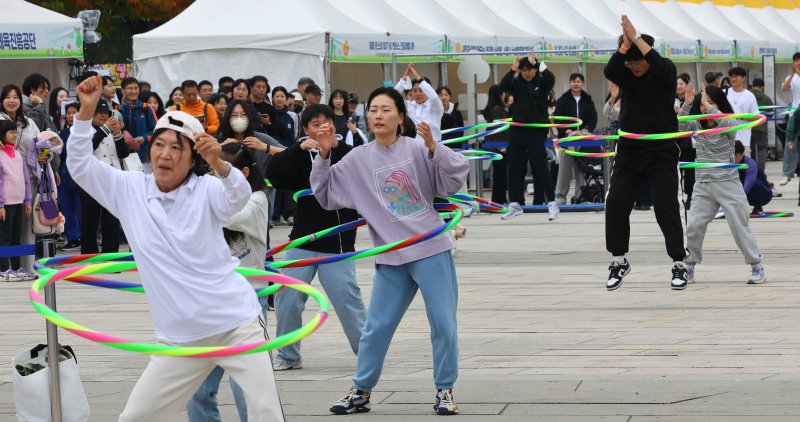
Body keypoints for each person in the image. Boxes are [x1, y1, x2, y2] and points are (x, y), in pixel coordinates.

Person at [67, 75, 284, 421]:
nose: (165, 155)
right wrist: (85, 113)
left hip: (236, 323)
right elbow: (79, 165)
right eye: (159, 145)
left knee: (265, 411)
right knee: (135, 418)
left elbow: (239, 196)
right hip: (180, 338)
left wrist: (219, 164)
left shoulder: (206, 189)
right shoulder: (129, 189)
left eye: (176, 148)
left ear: (192, 158)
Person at [310, 87, 469, 416]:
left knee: (443, 323)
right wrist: (323, 154)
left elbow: (455, 175)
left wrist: (434, 147)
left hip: (430, 248)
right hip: (391, 256)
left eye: (385, 109)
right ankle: (361, 391)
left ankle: (444, 389)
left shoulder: (417, 147)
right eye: (373, 110)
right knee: (376, 327)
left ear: (400, 117)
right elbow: (324, 194)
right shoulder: (357, 159)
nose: (378, 115)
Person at [265, 104, 366, 372]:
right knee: (287, 297)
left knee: (347, 300)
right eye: (315, 123)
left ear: (334, 125)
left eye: (326, 122)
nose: (322, 127)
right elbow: (273, 175)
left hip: (338, 242)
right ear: (306, 129)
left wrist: (330, 149)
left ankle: (368, 354)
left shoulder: (348, 153)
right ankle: (288, 355)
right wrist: (296, 149)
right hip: (303, 239)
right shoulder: (300, 154)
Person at [187, 142, 272, 422]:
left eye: (219, 170)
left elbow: (233, 216)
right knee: (197, 388)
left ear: (243, 173)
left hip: (248, 299)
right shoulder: (207, 199)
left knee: (247, 386)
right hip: (210, 301)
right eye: (210, 170)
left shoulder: (257, 200)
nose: (212, 176)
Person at [603, 15, 689, 291]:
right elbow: (610, 70)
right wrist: (625, 45)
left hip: (662, 151)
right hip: (630, 150)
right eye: (630, 61)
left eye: (638, 60)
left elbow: (660, 65)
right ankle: (619, 260)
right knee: (615, 202)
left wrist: (636, 36)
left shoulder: (665, 72)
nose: (634, 65)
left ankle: (679, 262)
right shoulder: (625, 75)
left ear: (648, 55)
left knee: (666, 205)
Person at [680, 84, 765, 285]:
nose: (705, 107)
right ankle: (689, 266)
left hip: (728, 183)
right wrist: (687, 104)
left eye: (710, 102)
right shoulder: (696, 124)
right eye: (703, 103)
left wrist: (708, 106)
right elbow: (679, 127)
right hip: (703, 184)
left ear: (719, 104)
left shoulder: (727, 123)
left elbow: (728, 121)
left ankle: (756, 265)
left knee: (739, 226)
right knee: (694, 225)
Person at [500, 50, 558, 221]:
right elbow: (503, 86)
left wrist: (537, 64)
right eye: (523, 70)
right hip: (518, 131)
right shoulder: (517, 84)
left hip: (536, 132)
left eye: (529, 69)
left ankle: (552, 203)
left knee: (540, 167)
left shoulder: (542, 83)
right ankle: (515, 204)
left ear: (535, 69)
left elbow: (551, 78)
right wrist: (513, 69)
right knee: (514, 167)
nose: (526, 72)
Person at [0, 84, 43, 281]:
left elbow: (40, 143)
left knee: (22, 232)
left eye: (15, 97)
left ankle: (21, 267)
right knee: (5, 233)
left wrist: (45, 156)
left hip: (24, 187)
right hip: (4, 193)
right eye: (7, 97)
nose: (12, 100)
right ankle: (4, 268)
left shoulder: (28, 123)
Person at [79, 99, 128, 255]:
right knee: (90, 220)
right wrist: (105, 129)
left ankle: (111, 254)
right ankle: (89, 255)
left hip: (112, 179)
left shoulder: (112, 132)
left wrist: (117, 133)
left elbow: (124, 153)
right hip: (92, 180)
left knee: (112, 220)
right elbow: (88, 147)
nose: (103, 116)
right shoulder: (85, 131)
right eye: (99, 113)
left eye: (106, 113)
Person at [553, 73, 597, 205]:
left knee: (582, 170)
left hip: (583, 140)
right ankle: (560, 198)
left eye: (578, 81)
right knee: (564, 170)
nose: (576, 84)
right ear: (570, 83)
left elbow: (593, 118)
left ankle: (580, 196)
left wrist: (587, 129)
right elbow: (557, 118)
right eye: (573, 81)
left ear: (583, 83)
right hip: (567, 140)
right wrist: (566, 130)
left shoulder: (588, 100)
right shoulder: (563, 99)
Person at [0, 120, 32, 281]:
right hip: (5, 204)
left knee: (16, 237)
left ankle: (16, 266)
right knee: (5, 237)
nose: (15, 135)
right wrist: (0, 205)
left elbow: (26, 179)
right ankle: (3, 269)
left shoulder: (18, 155)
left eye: (16, 132)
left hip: (19, 202)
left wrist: (28, 201)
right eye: (11, 132)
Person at [394, 64, 444, 142]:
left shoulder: (435, 107)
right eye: (414, 91)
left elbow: (434, 97)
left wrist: (419, 78)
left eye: (421, 90)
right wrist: (404, 79)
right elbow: (392, 97)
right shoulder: (408, 105)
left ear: (427, 90)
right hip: (410, 147)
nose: (417, 94)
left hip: (431, 147)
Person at [57, 102, 82, 251]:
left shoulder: (85, 132)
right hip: (64, 171)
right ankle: (72, 238)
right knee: (67, 207)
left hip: (79, 171)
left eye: (74, 112)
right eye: (69, 113)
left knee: (80, 206)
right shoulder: (62, 133)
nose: (71, 116)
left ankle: (85, 236)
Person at [118, 77, 158, 169]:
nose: (134, 91)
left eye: (136, 88)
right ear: (123, 90)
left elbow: (157, 130)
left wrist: (145, 138)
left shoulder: (146, 108)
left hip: (145, 157)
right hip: (125, 158)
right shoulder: (119, 110)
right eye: (130, 88)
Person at [482, 84, 509, 205]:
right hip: (499, 146)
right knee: (500, 173)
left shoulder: (493, 108)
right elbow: (498, 128)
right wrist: (501, 146)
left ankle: (498, 199)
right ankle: (499, 199)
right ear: (499, 95)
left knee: (499, 173)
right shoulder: (497, 109)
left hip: (496, 144)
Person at [779, 53, 800, 186]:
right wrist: (793, 74)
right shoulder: (792, 77)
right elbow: (784, 88)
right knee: (790, 144)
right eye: (796, 61)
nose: (798, 63)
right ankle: (787, 173)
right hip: (795, 114)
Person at [675, 73, 696, 209]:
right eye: (677, 84)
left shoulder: (692, 100)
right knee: (676, 170)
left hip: (688, 141)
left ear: (687, 85)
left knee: (689, 170)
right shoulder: (671, 99)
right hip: (674, 140)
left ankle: (689, 196)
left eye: (681, 84)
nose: (679, 86)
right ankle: (677, 196)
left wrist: (681, 112)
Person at [735, 141, 772, 214]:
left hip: (763, 194)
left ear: (742, 154)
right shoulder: (729, 162)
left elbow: (748, 184)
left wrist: (737, 202)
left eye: (736, 156)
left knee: (754, 183)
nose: (734, 159)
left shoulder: (750, 164)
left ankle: (758, 208)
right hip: (743, 193)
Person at [749, 78, 773, 172]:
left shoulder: (748, 96)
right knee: (762, 149)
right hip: (761, 128)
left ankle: (751, 169)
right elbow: (771, 113)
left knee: (750, 150)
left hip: (748, 127)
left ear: (752, 85)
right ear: (762, 87)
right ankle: (760, 170)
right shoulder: (766, 98)